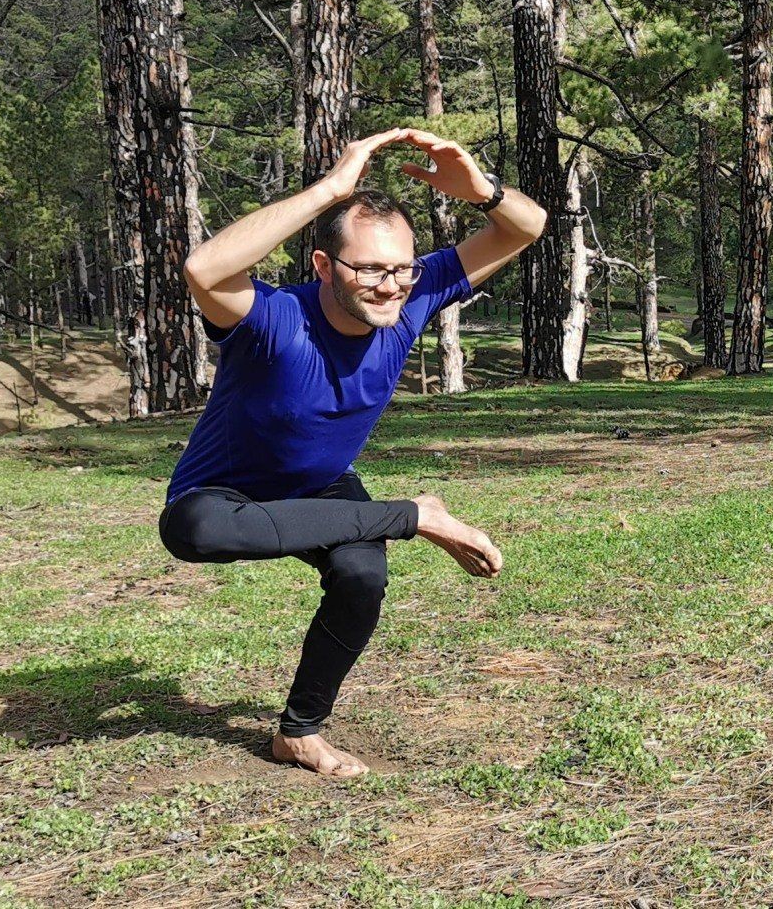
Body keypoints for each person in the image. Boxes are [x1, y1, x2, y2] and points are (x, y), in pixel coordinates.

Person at [157, 127, 547, 776]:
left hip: (320, 487)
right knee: (191, 529)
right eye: (368, 268)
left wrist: (482, 190)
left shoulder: (416, 294)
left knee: (362, 577)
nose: (390, 285)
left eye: (400, 267)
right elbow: (204, 269)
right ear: (322, 267)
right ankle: (415, 514)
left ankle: (299, 732)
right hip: (221, 500)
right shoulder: (273, 320)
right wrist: (332, 190)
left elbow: (525, 228)